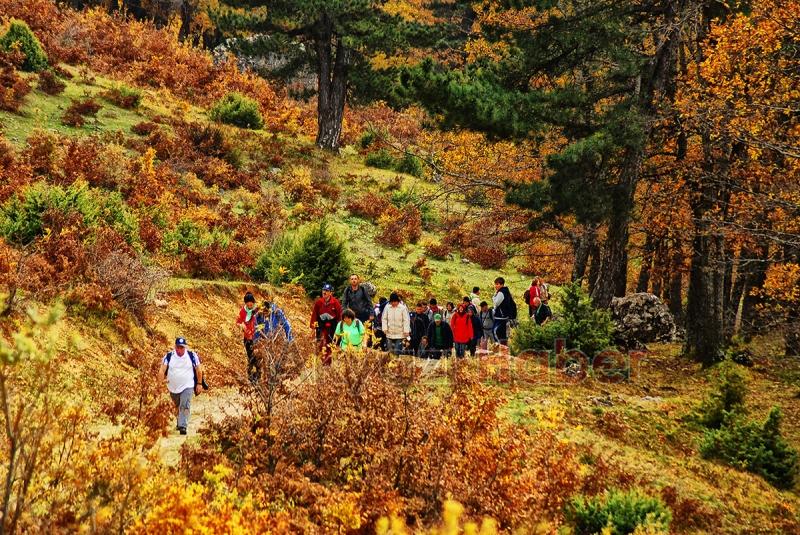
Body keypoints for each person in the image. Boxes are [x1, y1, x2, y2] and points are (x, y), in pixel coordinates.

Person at [160, 337, 205, 435]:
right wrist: (160, 383)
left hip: (187, 385)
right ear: (175, 346)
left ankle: (183, 426)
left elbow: (198, 370)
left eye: (182, 347)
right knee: (177, 406)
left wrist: (199, 384)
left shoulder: (192, 355)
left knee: (185, 404)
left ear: (185, 347)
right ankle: (179, 422)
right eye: (178, 347)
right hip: (172, 387)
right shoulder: (168, 356)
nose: (179, 349)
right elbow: (162, 370)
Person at [310, 283, 342, 365]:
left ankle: (328, 362)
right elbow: (315, 315)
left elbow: (339, 316)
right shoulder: (319, 302)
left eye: (327, 291)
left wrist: (340, 328)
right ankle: (321, 360)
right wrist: (314, 327)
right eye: (323, 290)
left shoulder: (336, 302)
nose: (324, 292)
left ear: (331, 293)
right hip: (321, 323)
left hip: (332, 325)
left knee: (330, 343)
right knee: (320, 341)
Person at [236, 292, 260, 382]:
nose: (249, 304)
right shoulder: (243, 311)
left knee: (257, 357)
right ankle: (251, 376)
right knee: (250, 357)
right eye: (247, 302)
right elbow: (237, 322)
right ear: (245, 303)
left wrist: (258, 328)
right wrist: (241, 325)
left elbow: (262, 323)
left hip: (257, 338)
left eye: (251, 302)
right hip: (247, 339)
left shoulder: (257, 311)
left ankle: (258, 375)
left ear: (253, 302)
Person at [492, 277, 517, 346]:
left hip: (501, 317)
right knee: (502, 334)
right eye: (495, 284)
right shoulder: (505, 291)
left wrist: (494, 296)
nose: (496, 286)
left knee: (495, 331)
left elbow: (496, 303)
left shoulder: (501, 293)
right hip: (503, 316)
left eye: (497, 284)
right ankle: (504, 347)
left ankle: (498, 346)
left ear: (502, 284)